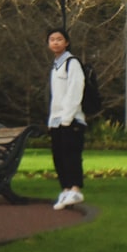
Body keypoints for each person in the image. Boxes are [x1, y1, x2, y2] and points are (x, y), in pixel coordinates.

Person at [46, 28, 86, 210]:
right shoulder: (55, 66)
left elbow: (75, 91)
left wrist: (67, 118)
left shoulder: (72, 63)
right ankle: (66, 189)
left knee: (71, 156)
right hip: (56, 120)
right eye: (52, 39)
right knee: (59, 157)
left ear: (66, 42)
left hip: (71, 120)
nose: (55, 42)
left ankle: (75, 189)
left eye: (59, 39)